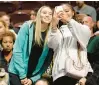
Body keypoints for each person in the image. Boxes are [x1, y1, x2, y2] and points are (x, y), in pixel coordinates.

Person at [47, 3, 93, 85]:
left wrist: (68, 20)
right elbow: (52, 45)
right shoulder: (57, 30)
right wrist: (53, 26)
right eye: (61, 12)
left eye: (66, 11)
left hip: (78, 73)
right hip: (60, 73)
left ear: (73, 13)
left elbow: (84, 35)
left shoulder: (83, 28)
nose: (63, 13)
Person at [8, 6, 54, 85]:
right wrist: (22, 76)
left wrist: (33, 79)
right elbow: (17, 51)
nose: (47, 15)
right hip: (17, 72)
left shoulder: (52, 34)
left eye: (50, 14)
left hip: (33, 75)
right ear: (39, 15)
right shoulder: (28, 26)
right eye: (44, 13)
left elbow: (47, 61)